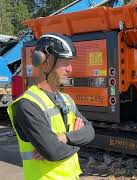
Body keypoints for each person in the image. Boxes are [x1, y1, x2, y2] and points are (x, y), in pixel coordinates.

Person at [7, 33, 95, 180]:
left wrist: (64, 138)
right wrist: (77, 139)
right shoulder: (27, 104)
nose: (70, 68)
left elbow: (90, 131)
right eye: (65, 62)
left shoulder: (66, 99)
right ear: (45, 61)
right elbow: (53, 151)